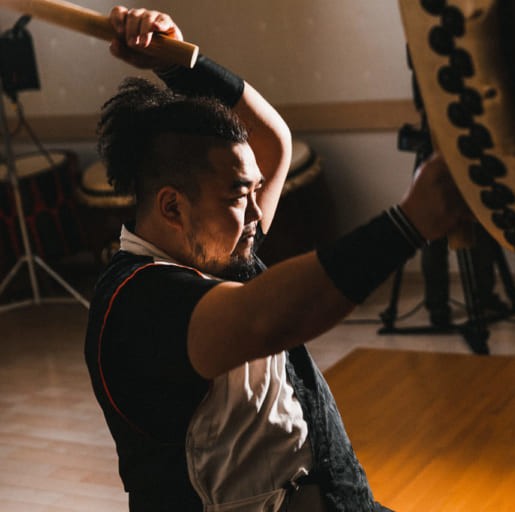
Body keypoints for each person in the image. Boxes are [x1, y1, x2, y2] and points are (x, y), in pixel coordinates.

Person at [83, 6, 466, 512]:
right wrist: (408, 224)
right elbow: (266, 318)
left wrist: (179, 63)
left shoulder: (219, 245)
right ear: (172, 206)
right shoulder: (136, 303)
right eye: (239, 195)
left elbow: (273, 141)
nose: (256, 217)